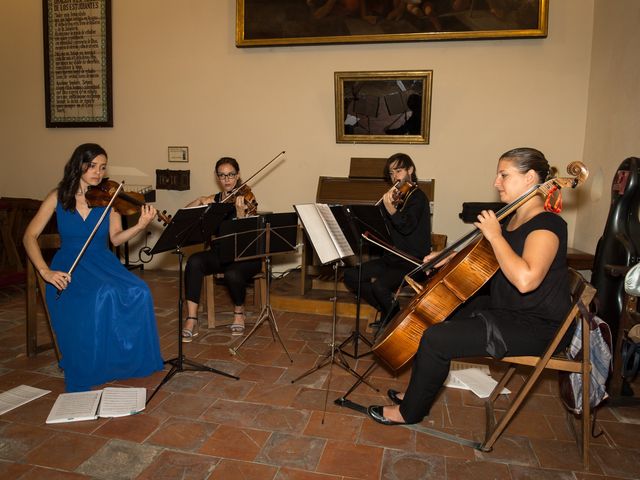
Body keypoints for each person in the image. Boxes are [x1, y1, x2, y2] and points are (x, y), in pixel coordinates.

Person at [367, 147, 572, 425]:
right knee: (439, 315)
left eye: (504, 175)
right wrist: (449, 258)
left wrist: (495, 236)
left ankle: (410, 412)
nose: (496, 182)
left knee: (436, 339)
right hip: (508, 307)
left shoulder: (547, 224)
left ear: (530, 178)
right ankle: (419, 392)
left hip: (536, 325)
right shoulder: (513, 217)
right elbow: (491, 258)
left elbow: (526, 280)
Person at [23, 143, 164, 392]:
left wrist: (141, 226)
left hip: (103, 260)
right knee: (101, 294)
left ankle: (126, 358)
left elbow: (117, 238)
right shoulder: (57, 196)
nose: (98, 172)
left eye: (102, 167)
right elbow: (29, 236)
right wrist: (45, 271)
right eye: (92, 166)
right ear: (78, 165)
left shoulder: (108, 199)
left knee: (140, 290)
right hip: (71, 263)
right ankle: (97, 361)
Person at [343, 153, 431, 328]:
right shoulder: (396, 196)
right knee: (351, 276)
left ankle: (389, 312)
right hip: (391, 257)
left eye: (398, 171)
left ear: (410, 170)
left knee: (379, 287)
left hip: (412, 260)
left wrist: (391, 210)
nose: (394, 177)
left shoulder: (418, 197)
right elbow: (381, 229)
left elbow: (406, 227)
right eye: (391, 173)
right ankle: (390, 308)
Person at [182, 157, 261, 340]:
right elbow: (185, 213)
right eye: (222, 175)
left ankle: (239, 312)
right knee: (194, 261)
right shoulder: (215, 200)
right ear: (217, 177)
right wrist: (200, 200)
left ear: (238, 175)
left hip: (245, 256)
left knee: (233, 273)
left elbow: (248, 236)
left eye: (231, 175)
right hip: (221, 253)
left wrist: (240, 214)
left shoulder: (246, 197)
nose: (227, 179)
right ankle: (191, 318)